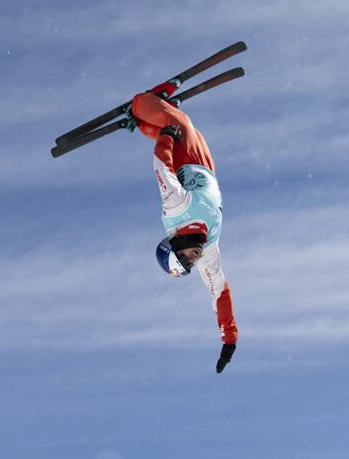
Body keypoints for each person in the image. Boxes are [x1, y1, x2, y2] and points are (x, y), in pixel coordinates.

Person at [128, 90, 238, 374]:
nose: (194, 259)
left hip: (183, 158)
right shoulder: (209, 249)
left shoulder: (176, 208)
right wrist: (229, 340)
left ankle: (139, 103)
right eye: (191, 263)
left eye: (186, 257)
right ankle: (142, 122)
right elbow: (219, 295)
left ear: (176, 244)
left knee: (180, 122)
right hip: (206, 167)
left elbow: (161, 167)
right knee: (190, 128)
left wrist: (166, 136)